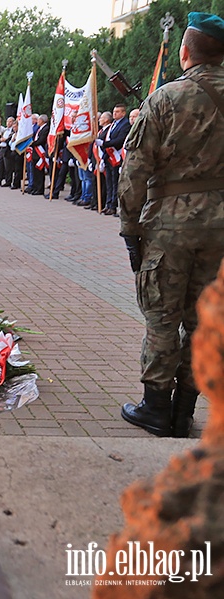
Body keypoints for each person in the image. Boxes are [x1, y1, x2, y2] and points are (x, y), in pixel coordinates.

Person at [118, 12, 224, 438]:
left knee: (163, 316)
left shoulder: (166, 98)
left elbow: (134, 173)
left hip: (170, 225)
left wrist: (129, 228)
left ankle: (156, 408)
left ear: (185, 52)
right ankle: (184, 410)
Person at [97, 103, 131, 216]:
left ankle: (114, 206)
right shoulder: (113, 124)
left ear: (123, 113)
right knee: (109, 183)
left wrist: (104, 143)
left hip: (117, 157)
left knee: (115, 183)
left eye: (117, 112)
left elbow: (120, 140)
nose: (114, 114)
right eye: (113, 112)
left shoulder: (125, 124)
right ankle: (108, 204)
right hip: (109, 158)